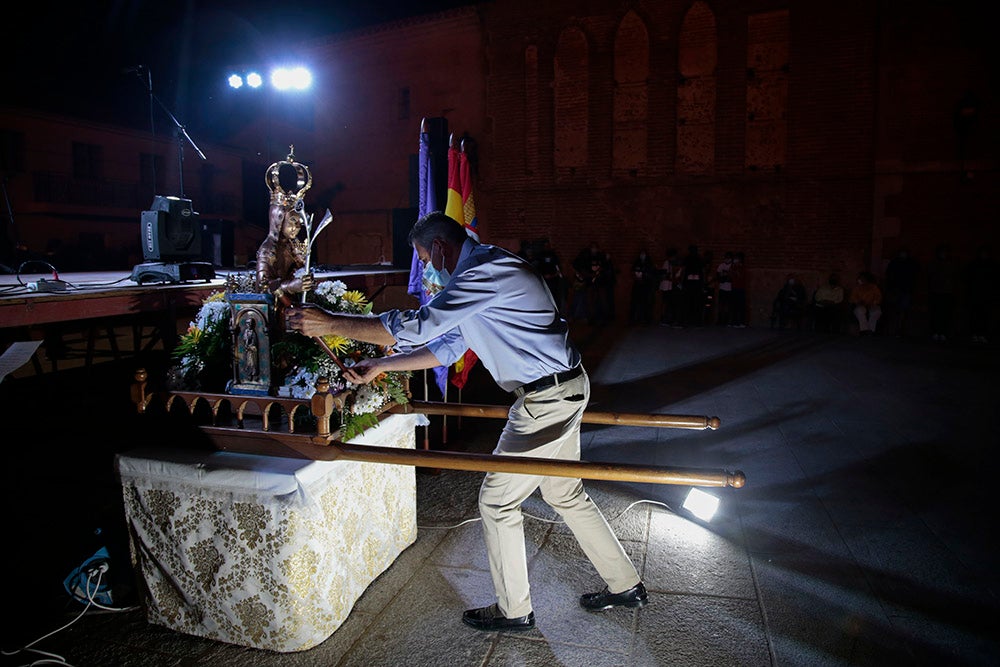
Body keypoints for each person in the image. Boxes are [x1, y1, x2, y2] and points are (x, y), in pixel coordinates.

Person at [285, 212, 647, 631]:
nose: (426, 268)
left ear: (439, 248)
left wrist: (329, 323)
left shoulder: (483, 272)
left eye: (424, 258)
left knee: (497, 502)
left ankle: (514, 610)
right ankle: (625, 586)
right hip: (561, 389)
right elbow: (447, 347)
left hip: (545, 400)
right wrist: (384, 365)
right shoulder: (480, 275)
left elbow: (420, 327)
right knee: (565, 494)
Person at [927, 243, 960, 342]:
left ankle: (943, 332)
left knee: (945, 314)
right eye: (942, 252)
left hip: (947, 292)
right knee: (936, 313)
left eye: (945, 252)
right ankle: (935, 332)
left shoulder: (951, 264)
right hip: (936, 291)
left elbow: (955, 277)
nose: (943, 254)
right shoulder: (934, 263)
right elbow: (930, 276)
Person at [884, 247, 919, 338]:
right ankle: (893, 330)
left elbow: (915, 276)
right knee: (895, 310)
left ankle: (899, 330)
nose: (903, 255)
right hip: (896, 290)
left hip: (905, 290)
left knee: (903, 310)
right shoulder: (894, 263)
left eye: (904, 253)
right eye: (902, 253)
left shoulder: (910, 263)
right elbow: (888, 275)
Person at [628, 248, 656, 325]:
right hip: (637, 285)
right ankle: (634, 319)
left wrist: (643, 275)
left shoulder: (649, 263)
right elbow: (632, 271)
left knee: (646, 303)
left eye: (643, 254)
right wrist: (636, 275)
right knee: (634, 303)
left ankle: (646, 320)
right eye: (641, 254)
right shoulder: (637, 262)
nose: (642, 255)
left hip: (646, 286)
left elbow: (651, 274)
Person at [851, 271, 882, 335]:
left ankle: (871, 330)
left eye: (863, 279)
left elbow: (878, 298)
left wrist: (873, 303)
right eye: (860, 278)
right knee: (860, 311)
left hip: (872, 305)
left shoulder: (874, 287)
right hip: (860, 306)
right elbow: (853, 298)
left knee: (877, 312)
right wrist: (859, 302)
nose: (861, 280)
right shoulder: (857, 288)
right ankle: (864, 330)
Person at [658, 247, 680, 326]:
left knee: (670, 303)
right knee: (666, 303)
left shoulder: (675, 263)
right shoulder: (667, 263)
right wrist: (672, 278)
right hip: (666, 286)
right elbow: (665, 275)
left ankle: (669, 318)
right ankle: (664, 319)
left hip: (671, 286)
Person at [714, 252, 734, 326]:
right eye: (726, 257)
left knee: (728, 305)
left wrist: (725, 277)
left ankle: (726, 321)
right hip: (722, 288)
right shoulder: (721, 265)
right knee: (721, 305)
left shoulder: (732, 266)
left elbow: (732, 277)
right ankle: (720, 320)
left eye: (728, 258)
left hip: (729, 289)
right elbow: (718, 276)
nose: (727, 259)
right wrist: (724, 278)